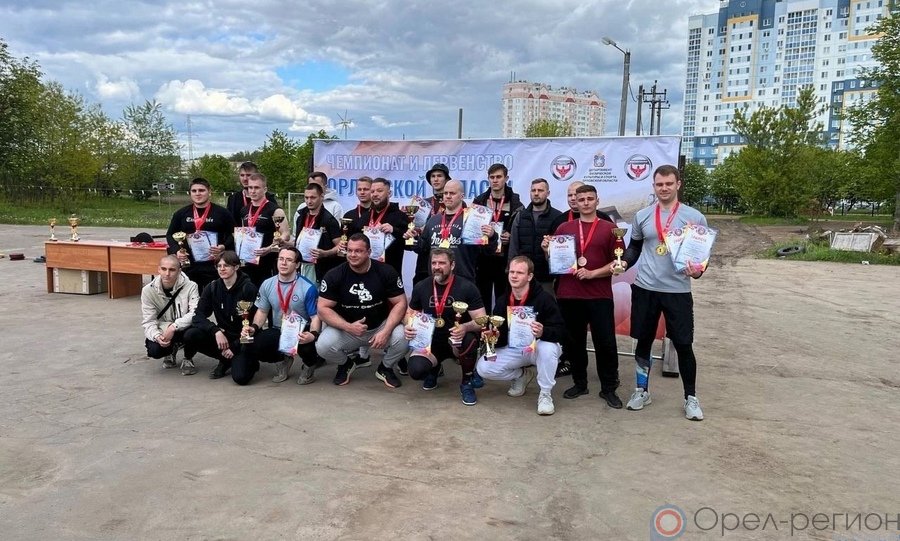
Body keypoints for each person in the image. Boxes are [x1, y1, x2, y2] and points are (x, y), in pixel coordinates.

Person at [621, 164, 708, 421]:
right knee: (643, 342)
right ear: (654, 186)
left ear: (678, 184)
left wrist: (698, 272)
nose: (664, 188)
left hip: (677, 290)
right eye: (659, 184)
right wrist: (624, 263)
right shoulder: (643, 216)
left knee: (683, 344)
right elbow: (634, 248)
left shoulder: (694, 217)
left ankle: (691, 397)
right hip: (645, 288)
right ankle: (642, 391)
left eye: (669, 183)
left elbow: (701, 257)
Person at [544, 184, 623, 408]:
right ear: (575, 203)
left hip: (599, 295)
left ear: (597, 201)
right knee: (574, 343)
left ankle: (609, 388)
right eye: (581, 199)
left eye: (590, 198)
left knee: (605, 343)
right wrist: (546, 250)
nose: (586, 203)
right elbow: (555, 261)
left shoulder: (610, 229)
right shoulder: (564, 227)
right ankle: (580, 383)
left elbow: (618, 264)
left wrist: (593, 273)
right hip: (569, 294)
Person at [314, 234, 408, 388]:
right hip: (348, 330)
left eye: (358, 251)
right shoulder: (334, 275)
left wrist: (386, 331)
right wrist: (348, 326)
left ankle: (385, 367)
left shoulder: (386, 271)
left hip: (380, 327)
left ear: (369, 252)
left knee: (405, 337)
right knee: (322, 346)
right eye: (349, 250)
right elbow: (322, 308)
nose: (352, 255)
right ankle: (346, 364)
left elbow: (400, 303)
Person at [476, 256, 566, 415]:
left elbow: (561, 331)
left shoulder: (544, 299)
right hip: (515, 349)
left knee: (548, 348)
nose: (514, 276)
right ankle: (522, 375)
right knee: (484, 367)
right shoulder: (503, 301)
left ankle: (545, 394)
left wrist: (543, 332)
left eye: (519, 273)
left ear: (529, 276)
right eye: (511, 272)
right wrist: (494, 336)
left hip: (538, 347)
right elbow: (501, 338)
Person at [405, 248, 487, 405]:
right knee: (416, 370)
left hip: (457, 340)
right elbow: (410, 313)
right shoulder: (422, 286)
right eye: (434, 263)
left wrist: (465, 327)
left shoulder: (467, 287)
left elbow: (481, 320)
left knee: (469, 340)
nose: (437, 267)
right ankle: (434, 369)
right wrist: (408, 325)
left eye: (442, 263)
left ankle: (467, 382)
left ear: (452, 265)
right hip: (432, 342)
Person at [234, 247, 321, 385]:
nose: (283, 263)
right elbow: (262, 311)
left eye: (289, 260)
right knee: (257, 344)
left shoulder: (308, 287)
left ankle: (309, 366)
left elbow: (315, 317)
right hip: (278, 329)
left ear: (297, 264)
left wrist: (313, 334)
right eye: (281, 259)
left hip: (301, 330)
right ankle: (283, 360)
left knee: (308, 347)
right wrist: (254, 327)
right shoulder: (267, 284)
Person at [184, 250, 258, 379]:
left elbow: (252, 325)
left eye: (226, 265)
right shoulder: (212, 287)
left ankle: (246, 360)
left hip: (244, 338)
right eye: (219, 266)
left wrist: (234, 347)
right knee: (191, 334)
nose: (222, 269)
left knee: (241, 378)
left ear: (236, 267)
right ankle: (225, 360)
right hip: (223, 336)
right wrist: (215, 331)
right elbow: (198, 316)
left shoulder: (248, 288)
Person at [165, 177, 235, 293]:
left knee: (214, 299)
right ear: (190, 193)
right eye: (194, 191)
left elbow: (233, 235)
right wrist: (177, 251)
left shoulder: (222, 213)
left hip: (214, 266)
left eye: (201, 190)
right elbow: (170, 235)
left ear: (209, 191)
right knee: (191, 300)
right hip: (190, 265)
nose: (198, 193)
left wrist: (223, 246)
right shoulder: (181, 214)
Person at [405, 180, 481, 283]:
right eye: (445, 193)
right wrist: (413, 239)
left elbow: (485, 251)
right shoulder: (433, 220)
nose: (448, 196)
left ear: (462, 196)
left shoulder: (471, 220)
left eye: (452, 193)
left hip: (463, 281)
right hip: (437, 279)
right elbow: (423, 249)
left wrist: (492, 236)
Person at [473, 163, 523, 313]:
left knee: (504, 299)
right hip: (483, 258)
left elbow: (521, 230)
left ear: (506, 178)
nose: (495, 180)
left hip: (504, 260)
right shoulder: (479, 202)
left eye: (499, 177)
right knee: (482, 299)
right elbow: (472, 230)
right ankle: (483, 327)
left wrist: (511, 236)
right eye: (492, 177)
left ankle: (501, 328)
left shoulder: (516, 203)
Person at [140, 255, 200, 375]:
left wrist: (174, 327)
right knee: (155, 350)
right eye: (164, 269)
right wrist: (157, 336)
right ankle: (170, 351)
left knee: (194, 334)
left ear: (179, 271)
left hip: (185, 327)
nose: (167, 274)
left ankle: (188, 358)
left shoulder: (191, 286)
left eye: (172, 270)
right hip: (163, 328)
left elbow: (195, 313)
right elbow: (149, 320)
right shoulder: (148, 290)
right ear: (158, 269)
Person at [507, 178, 562, 292]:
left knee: (546, 304)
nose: (536, 193)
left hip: (547, 278)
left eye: (540, 190)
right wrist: (511, 270)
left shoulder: (558, 217)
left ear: (548, 193)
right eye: (533, 190)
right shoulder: (520, 216)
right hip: (523, 277)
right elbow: (514, 247)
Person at [237, 173, 289, 288]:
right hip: (248, 261)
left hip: (268, 261)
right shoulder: (244, 210)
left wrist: (270, 248)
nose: (252, 191)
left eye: (256, 187)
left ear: (265, 189)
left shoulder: (275, 210)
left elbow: (285, 234)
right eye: (250, 187)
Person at [411, 163, 452, 284]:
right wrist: (413, 228)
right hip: (425, 259)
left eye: (439, 176)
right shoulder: (423, 204)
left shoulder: (455, 203)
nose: (436, 179)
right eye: (433, 176)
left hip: (447, 256)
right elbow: (414, 232)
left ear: (447, 179)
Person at [294, 183, 341, 283]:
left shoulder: (329, 220)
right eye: (306, 197)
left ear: (322, 197)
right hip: (300, 265)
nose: (309, 201)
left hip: (319, 268)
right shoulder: (300, 217)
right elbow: (297, 241)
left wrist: (325, 253)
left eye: (313, 197)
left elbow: (340, 246)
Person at [360, 177, 408, 275]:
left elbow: (410, 245)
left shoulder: (400, 216)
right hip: (365, 271)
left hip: (390, 272)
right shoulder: (365, 217)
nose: (375, 194)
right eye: (372, 191)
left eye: (379, 191)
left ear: (389, 193)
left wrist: (394, 230)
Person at [550, 180, 614, 234]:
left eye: (575, 195)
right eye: (570, 195)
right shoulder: (559, 221)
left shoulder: (603, 217)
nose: (573, 198)